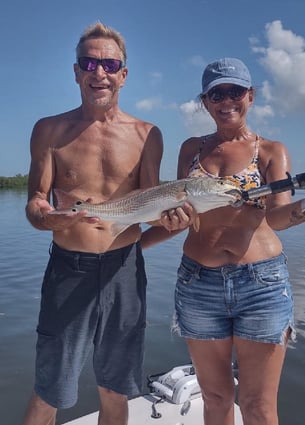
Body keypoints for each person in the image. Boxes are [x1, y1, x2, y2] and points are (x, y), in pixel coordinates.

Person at [22, 22, 191, 425]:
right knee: (51, 389)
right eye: (90, 63)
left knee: (116, 389)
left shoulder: (148, 134)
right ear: (77, 71)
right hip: (69, 270)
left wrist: (177, 220)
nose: (100, 72)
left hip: (124, 271)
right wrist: (45, 219)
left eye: (110, 63)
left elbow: (153, 207)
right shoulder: (48, 130)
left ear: (123, 74)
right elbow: (35, 200)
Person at [141, 57, 305, 425]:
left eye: (235, 91)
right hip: (197, 284)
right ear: (205, 101)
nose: (226, 100)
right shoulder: (191, 149)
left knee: (257, 406)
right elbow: (183, 215)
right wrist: (135, 245)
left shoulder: (271, 151)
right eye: (216, 93)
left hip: (262, 285)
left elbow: (278, 217)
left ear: (250, 96)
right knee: (216, 398)